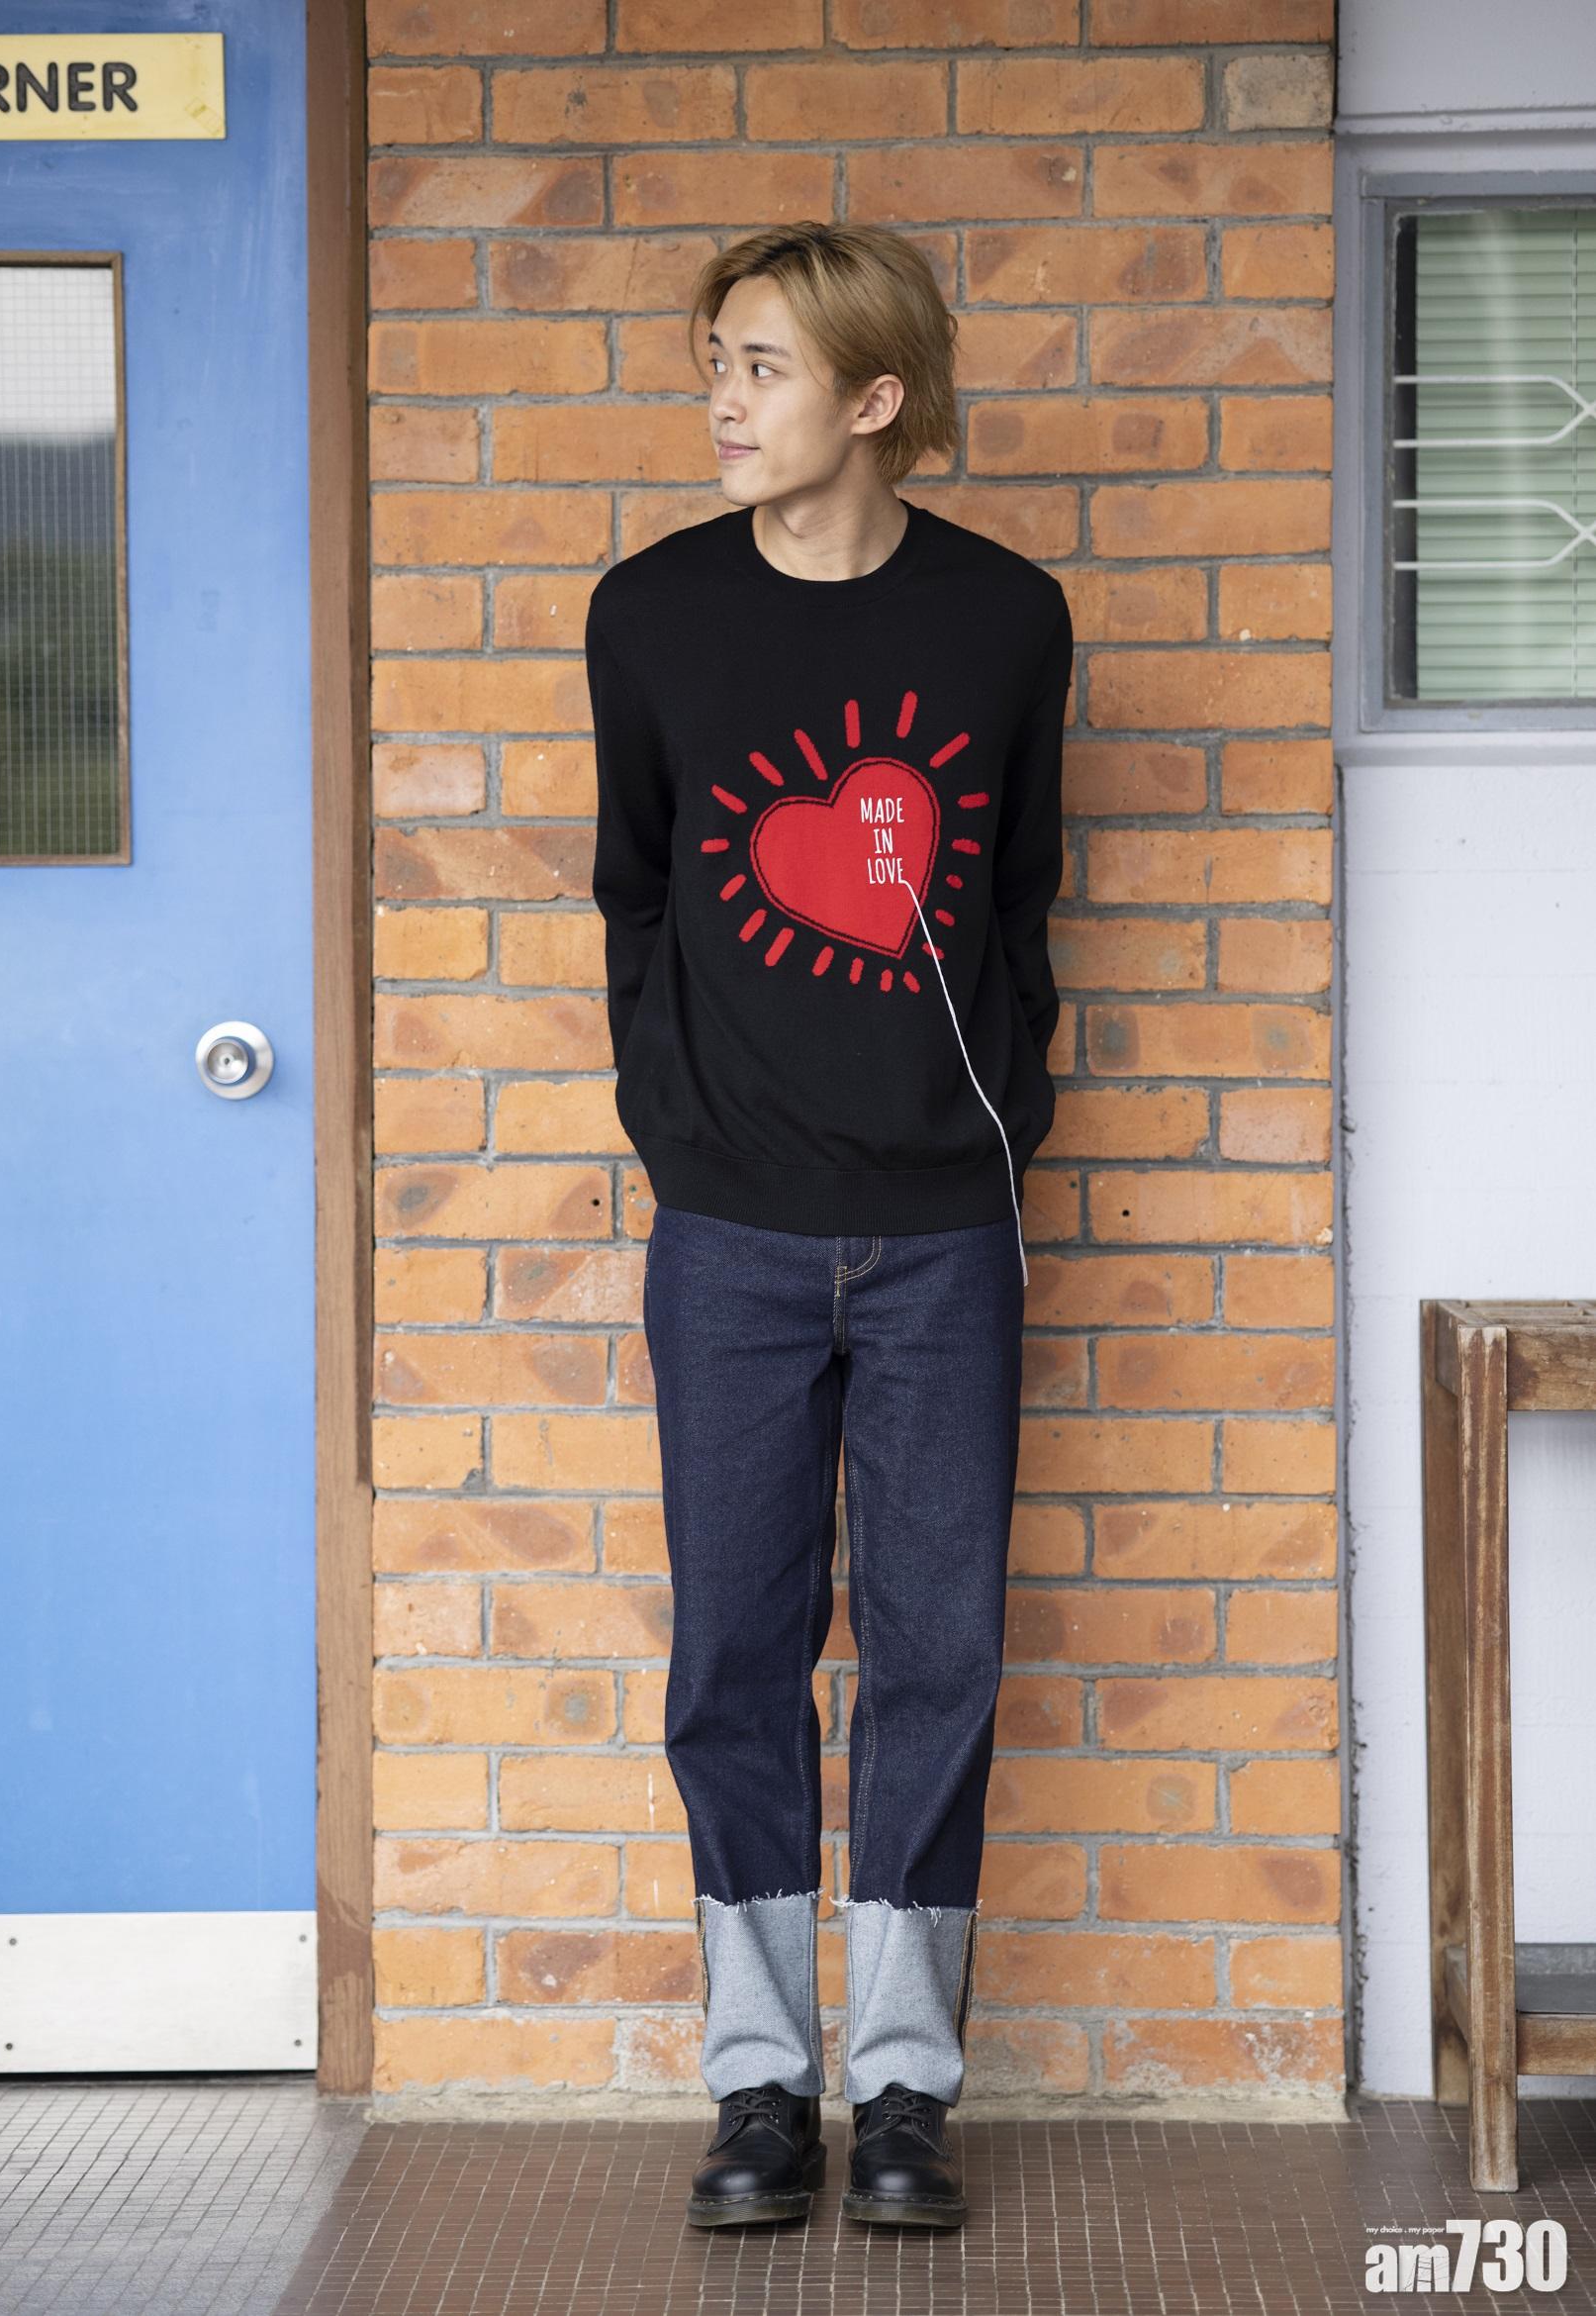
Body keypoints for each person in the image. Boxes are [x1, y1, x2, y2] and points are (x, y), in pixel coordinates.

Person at [585, 221, 1073, 2232]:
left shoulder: (1004, 621)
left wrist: (996, 1123)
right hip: (728, 1235)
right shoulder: (650, 614)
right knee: (736, 1655)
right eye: (716, 359)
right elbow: (633, 896)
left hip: (945, 1232)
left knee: (938, 1657)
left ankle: (902, 2096)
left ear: (874, 399)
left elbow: (1018, 899)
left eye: (761, 366)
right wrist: (679, 1126)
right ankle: (759, 2088)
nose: (721, 398)